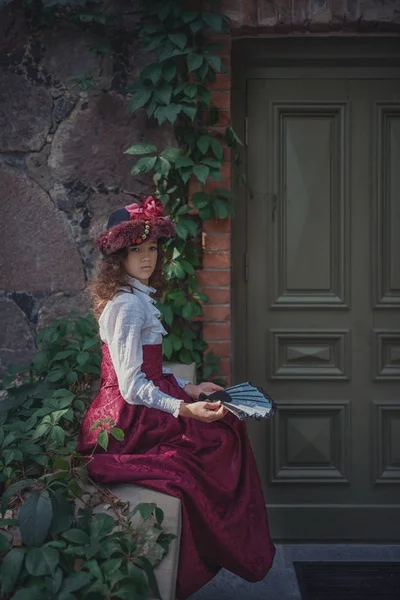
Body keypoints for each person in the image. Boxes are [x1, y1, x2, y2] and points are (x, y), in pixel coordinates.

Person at [78, 196, 275, 599]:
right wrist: (185, 409)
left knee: (225, 425)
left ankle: (226, 548)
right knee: (217, 438)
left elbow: (148, 369)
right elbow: (132, 386)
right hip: (126, 420)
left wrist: (189, 387)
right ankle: (221, 550)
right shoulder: (127, 306)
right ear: (119, 257)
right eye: (136, 250)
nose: (147, 258)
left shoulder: (134, 297)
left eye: (152, 249)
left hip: (142, 401)